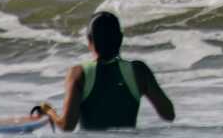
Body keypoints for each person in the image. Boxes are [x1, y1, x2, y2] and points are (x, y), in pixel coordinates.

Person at [32, 11, 176, 131]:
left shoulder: (78, 73)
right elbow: (169, 114)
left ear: (89, 41)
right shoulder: (138, 70)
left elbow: (67, 125)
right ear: (120, 39)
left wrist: (49, 111)